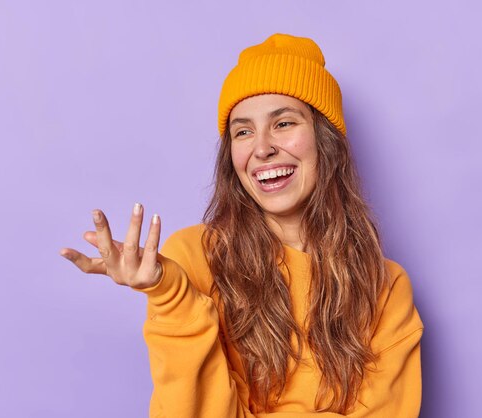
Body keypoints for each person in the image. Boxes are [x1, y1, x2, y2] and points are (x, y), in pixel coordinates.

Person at [60, 33, 424, 417]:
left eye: (283, 123)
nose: (262, 148)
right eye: (243, 131)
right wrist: (167, 294)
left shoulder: (385, 286)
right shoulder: (190, 257)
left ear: (325, 141)